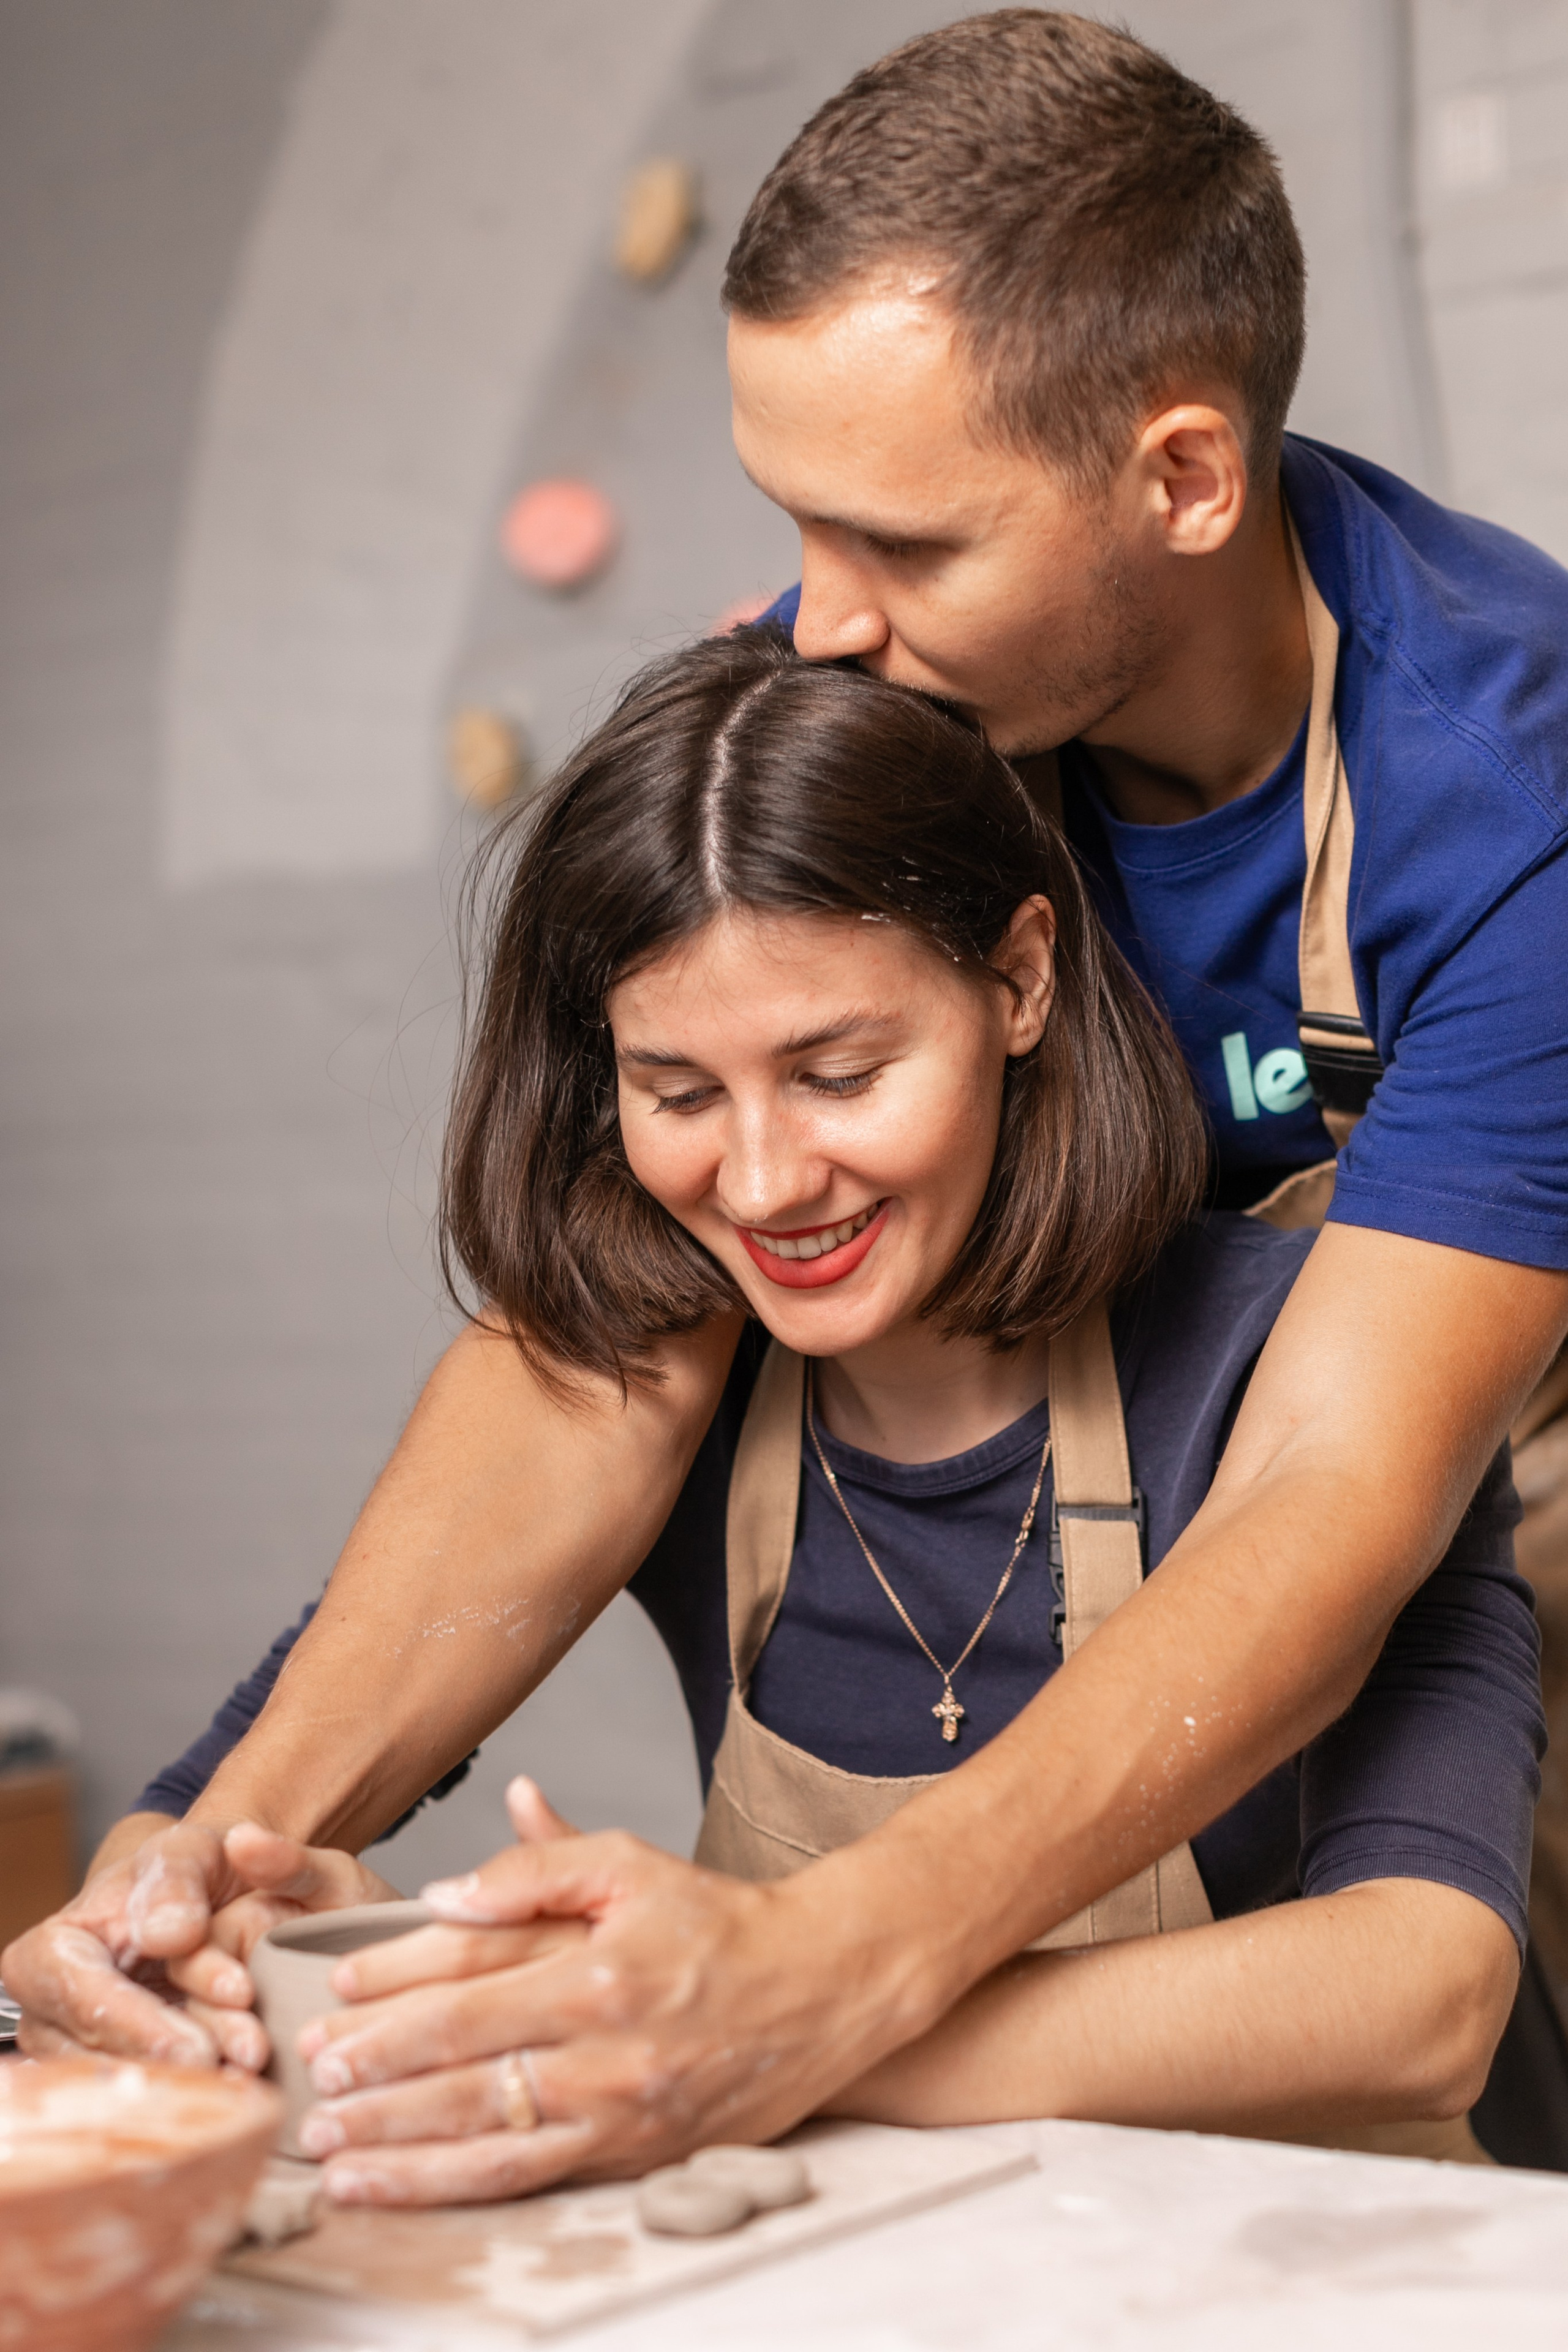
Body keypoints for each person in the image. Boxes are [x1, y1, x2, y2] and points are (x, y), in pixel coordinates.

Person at [10, 11, 1568, 2186]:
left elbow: (1331, 1488)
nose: (814, 626)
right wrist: (222, 1834)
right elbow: (604, 1336)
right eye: (796, 530)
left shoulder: (1510, 804)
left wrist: (819, 1979)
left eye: (907, 547)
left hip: (1443, 1449)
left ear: (1185, 478)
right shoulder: (873, 703)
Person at [73, 636, 1545, 2193]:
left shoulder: (1294, 1366)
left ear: (1019, 981)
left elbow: (1418, 1993)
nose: (763, 1183)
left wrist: (755, 2022)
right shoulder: (665, 1412)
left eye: (838, 1071)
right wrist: (166, 1926)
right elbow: (225, 1795)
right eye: (679, 1094)